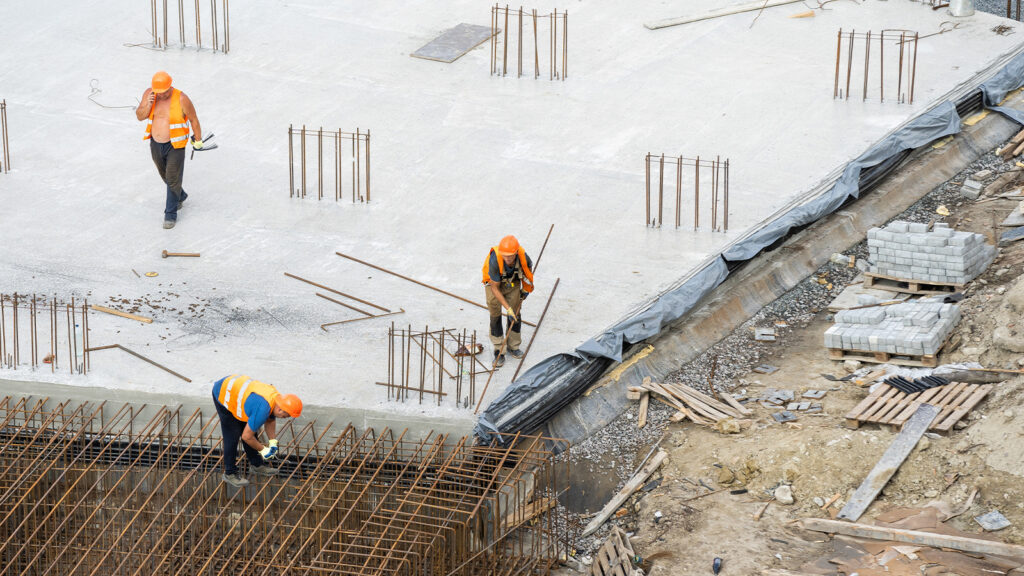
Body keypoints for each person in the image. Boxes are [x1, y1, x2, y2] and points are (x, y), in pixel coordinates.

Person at [135, 70, 203, 230]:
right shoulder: (149, 94)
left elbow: (193, 119)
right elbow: (140, 116)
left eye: (164, 92)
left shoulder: (181, 99)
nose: (161, 95)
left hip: (175, 145)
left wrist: (198, 140)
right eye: (158, 92)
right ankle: (181, 195)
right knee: (164, 175)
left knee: (172, 177)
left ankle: (170, 214)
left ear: (169, 87)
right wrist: (149, 104)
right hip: (156, 143)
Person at [212, 374, 303, 487]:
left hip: (240, 395)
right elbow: (246, 437)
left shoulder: (276, 400)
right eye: (285, 416)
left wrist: (273, 442)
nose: (285, 418)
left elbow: (270, 421)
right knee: (233, 435)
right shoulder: (263, 409)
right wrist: (263, 450)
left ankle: (256, 465)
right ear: (280, 409)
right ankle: (229, 473)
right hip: (223, 392)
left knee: (249, 429)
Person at [481, 235, 534, 367]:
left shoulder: (523, 257)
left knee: (515, 313)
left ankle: (513, 346)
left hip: (513, 283)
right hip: (494, 285)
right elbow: (495, 288)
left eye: (510, 256)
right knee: (495, 314)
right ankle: (499, 350)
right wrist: (507, 309)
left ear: (516, 252)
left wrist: (526, 289)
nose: (507, 258)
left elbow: (528, 272)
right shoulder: (495, 260)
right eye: (505, 255)